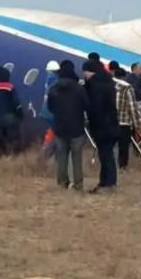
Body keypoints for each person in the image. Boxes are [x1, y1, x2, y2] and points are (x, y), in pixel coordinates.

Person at [47, 62, 90, 191]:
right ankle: (78, 184)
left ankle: (62, 183)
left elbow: (50, 107)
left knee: (62, 157)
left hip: (60, 127)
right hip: (76, 127)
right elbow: (86, 105)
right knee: (77, 157)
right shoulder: (79, 88)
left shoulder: (54, 88)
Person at [82, 61, 119, 193]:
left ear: (91, 71)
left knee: (105, 155)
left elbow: (95, 108)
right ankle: (106, 182)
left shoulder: (95, 86)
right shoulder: (109, 82)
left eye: (85, 72)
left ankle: (108, 183)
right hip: (112, 124)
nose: (84, 75)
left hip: (102, 125)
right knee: (107, 154)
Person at [0, 67, 24, 157]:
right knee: (13, 137)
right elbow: (16, 102)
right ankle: (14, 155)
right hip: (9, 116)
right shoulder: (9, 87)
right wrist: (20, 114)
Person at [113, 68, 141, 170]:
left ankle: (110, 166)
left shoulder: (107, 85)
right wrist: (136, 123)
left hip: (110, 121)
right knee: (123, 147)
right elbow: (132, 106)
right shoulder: (127, 88)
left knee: (109, 146)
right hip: (123, 122)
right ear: (125, 76)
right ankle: (122, 166)